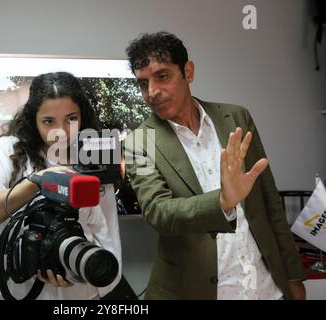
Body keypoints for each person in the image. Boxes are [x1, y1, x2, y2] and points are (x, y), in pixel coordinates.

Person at [124, 31, 306, 300]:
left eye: (162, 76)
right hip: (196, 289)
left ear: (188, 71)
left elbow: (270, 203)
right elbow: (158, 213)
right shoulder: (139, 142)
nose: (152, 92)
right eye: (142, 83)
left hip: (266, 286)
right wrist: (221, 202)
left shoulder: (236, 117)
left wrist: (293, 274)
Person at [0, 72, 122, 300]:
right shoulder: (8, 151)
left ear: (82, 116)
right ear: (33, 119)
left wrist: (79, 268)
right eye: (49, 121)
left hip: (81, 290)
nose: (62, 131)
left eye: (71, 119)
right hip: (19, 290)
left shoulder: (95, 155)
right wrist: (37, 182)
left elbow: (106, 230)